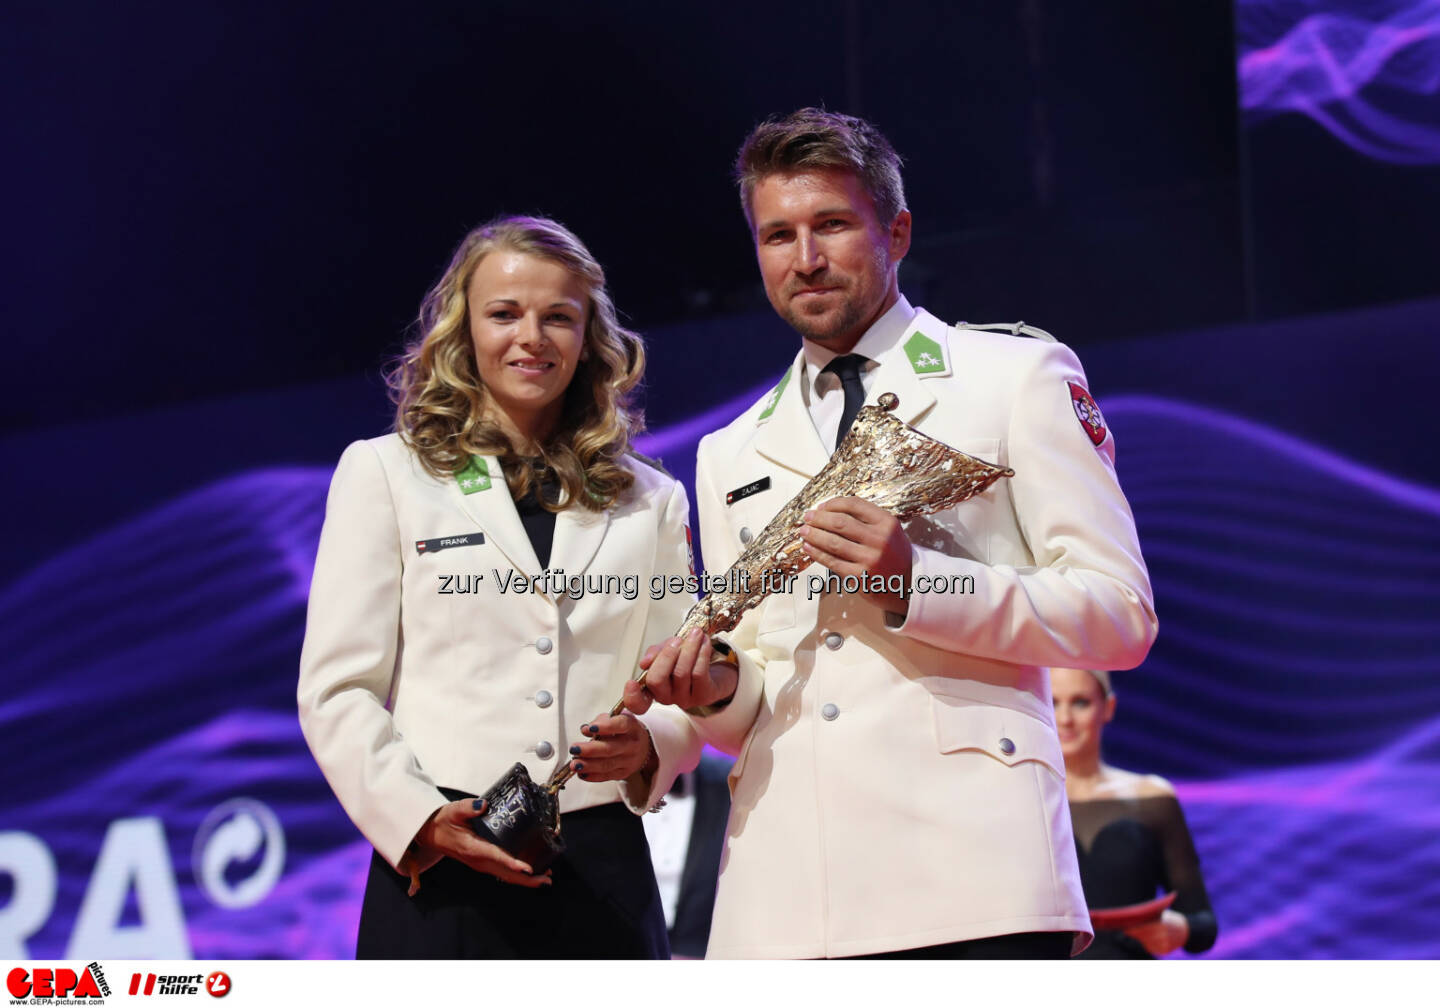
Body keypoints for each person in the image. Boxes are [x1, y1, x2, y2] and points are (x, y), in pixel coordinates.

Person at [629, 108, 1158, 959]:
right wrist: (720, 688)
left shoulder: (1012, 377)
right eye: (777, 235)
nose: (805, 259)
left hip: (973, 880)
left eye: (832, 225)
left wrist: (916, 582)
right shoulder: (729, 450)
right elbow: (757, 695)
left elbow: (1121, 614)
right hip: (783, 901)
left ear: (897, 230)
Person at [297, 215, 702, 958]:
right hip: (446, 857)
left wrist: (649, 747)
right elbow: (337, 689)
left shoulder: (652, 499)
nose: (532, 337)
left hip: (604, 871)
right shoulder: (385, 473)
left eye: (558, 316)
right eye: (505, 313)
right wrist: (417, 819)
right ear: (464, 330)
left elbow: (682, 687)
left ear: (589, 338)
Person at [1050, 667, 1218, 958]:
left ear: (1108, 707)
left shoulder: (1152, 797)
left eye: (1080, 702)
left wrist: (1180, 929)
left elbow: (1202, 922)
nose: (1065, 718)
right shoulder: (1024, 801)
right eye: (1052, 702)